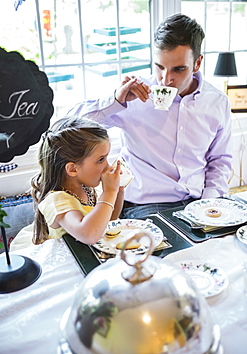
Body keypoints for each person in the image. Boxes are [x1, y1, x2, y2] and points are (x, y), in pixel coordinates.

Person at [69, 13, 233, 219]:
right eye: (159, 67)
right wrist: (115, 102)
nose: (166, 79)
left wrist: (208, 204)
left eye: (178, 69)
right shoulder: (133, 95)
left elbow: (220, 160)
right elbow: (68, 126)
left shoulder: (217, 102)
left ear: (197, 63)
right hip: (145, 205)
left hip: (198, 201)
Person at [10, 116, 124, 250]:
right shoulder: (57, 200)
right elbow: (89, 235)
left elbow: (107, 222)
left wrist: (118, 191)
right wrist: (109, 192)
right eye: (100, 160)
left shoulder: (87, 188)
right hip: (66, 261)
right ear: (73, 169)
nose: (107, 166)